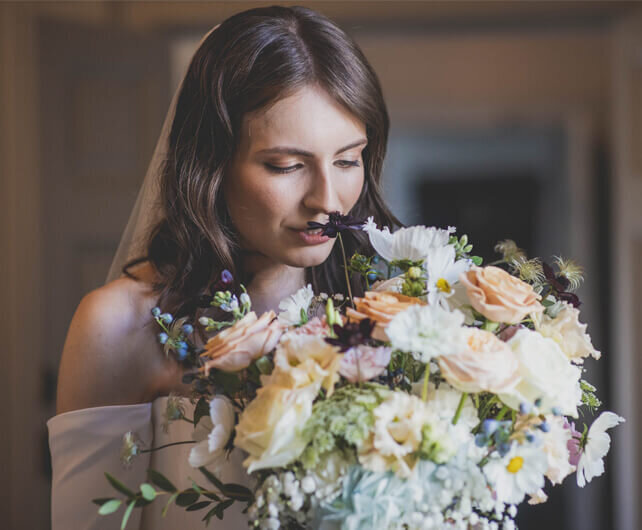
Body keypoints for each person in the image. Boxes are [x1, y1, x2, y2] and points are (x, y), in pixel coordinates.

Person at [47, 5, 400, 529]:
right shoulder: (119, 327)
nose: (329, 199)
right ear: (211, 164)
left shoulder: (396, 314)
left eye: (348, 160)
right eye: (287, 165)